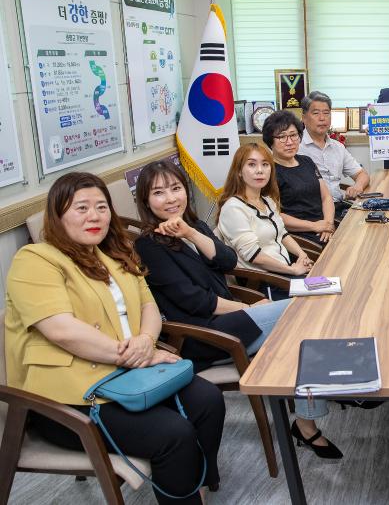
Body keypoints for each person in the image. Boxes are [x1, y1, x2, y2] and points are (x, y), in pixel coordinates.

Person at [4, 172, 224, 503]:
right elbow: (61, 329)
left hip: (128, 374)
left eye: (101, 207)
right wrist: (139, 356)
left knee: (208, 400)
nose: (94, 216)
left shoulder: (114, 256)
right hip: (67, 400)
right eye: (81, 208)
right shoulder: (35, 260)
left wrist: (147, 341)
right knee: (174, 434)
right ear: (57, 214)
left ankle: (196, 486)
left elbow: (149, 307)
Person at [134, 160, 341, 459]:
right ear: (145, 200)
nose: (170, 198)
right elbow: (196, 302)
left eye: (176, 188)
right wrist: (247, 306)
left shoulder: (193, 227)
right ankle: (311, 418)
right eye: (158, 192)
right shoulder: (149, 245)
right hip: (203, 334)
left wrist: (191, 234)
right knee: (307, 313)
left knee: (309, 318)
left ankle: (309, 417)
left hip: (231, 319)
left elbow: (228, 261)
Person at [216, 142, 314, 292]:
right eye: (252, 165)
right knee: (325, 295)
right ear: (239, 171)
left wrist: (302, 255)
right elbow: (254, 256)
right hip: (265, 281)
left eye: (265, 164)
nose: (260, 170)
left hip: (284, 272)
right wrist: (292, 270)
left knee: (332, 283)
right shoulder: (233, 208)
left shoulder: (267, 201)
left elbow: (282, 234)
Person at [263, 110, 336, 245]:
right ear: (270, 141)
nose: (289, 142)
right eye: (282, 137)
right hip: (300, 236)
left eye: (293, 135)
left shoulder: (306, 161)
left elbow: (326, 197)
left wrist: (328, 224)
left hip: (324, 226)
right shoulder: (268, 171)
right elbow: (274, 214)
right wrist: (314, 226)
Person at [298, 90, 370, 219]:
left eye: (326, 113)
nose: (322, 118)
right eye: (316, 113)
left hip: (338, 206)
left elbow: (362, 174)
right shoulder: (295, 147)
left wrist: (357, 186)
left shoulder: (337, 147)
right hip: (312, 212)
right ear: (304, 118)